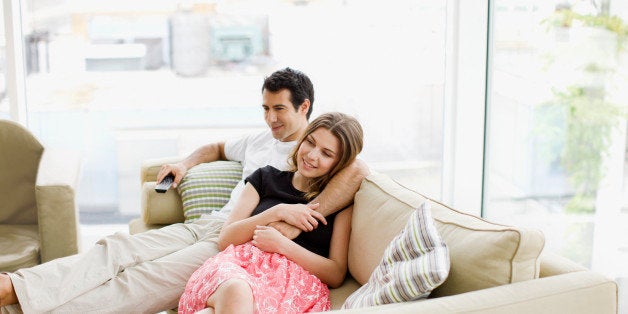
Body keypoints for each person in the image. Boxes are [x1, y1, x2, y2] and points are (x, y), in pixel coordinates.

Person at [0, 68, 369, 313]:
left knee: (143, 280)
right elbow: (217, 148)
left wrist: (293, 220)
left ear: (304, 108)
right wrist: (185, 163)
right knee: (117, 248)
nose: (271, 118)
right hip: (213, 224)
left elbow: (356, 168)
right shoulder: (262, 147)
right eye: (266, 108)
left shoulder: (324, 157)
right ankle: (14, 286)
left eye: (280, 109)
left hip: (236, 245)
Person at [178, 112, 363, 313]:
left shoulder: (339, 204)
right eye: (310, 142)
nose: (311, 155)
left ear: (341, 163)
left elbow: (335, 274)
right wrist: (277, 212)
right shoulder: (265, 178)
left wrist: (282, 245)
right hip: (239, 268)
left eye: (327, 153)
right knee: (236, 291)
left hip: (291, 286)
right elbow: (226, 239)